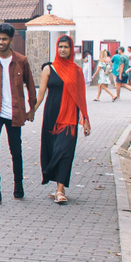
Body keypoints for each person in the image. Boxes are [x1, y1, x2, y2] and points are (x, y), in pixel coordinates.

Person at [0, 24, 37, 205]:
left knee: (16, 151)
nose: (0, 42)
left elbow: (31, 85)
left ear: (11, 40)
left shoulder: (21, 61)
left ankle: (18, 185)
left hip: (15, 113)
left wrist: (31, 109)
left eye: (4, 39)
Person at [39, 33, 92, 202]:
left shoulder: (76, 71)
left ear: (71, 50)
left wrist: (85, 120)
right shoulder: (49, 69)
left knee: (64, 151)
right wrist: (31, 111)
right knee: (52, 150)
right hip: (51, 116)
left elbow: (81, 97)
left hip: (70, 117)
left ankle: (60, 190)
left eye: (66, 47)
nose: (63, 50)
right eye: (60, 47)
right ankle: (55, 184)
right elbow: (41, 94)